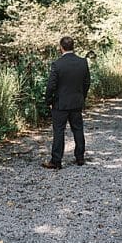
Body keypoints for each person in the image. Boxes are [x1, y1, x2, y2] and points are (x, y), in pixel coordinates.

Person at [41, 36, 91, 169]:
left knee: (59, 131)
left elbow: (51, 85)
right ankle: (80, 157)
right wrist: (82, 97)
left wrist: (48, 101)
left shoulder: (57, 64)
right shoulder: (83, 62)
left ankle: (56, 161)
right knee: (78, 129)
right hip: (76, 102)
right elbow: (87, 83)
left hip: (60, 104)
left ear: (61, 48)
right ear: (73, 47)